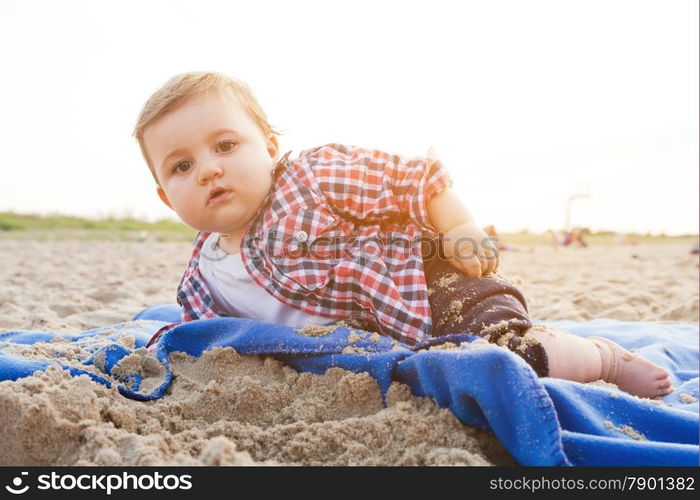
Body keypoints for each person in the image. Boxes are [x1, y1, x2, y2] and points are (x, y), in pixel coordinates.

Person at [132, 71, 672, 399]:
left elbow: (410, 178)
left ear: (270, 147)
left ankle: (603, 359)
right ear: (164, 195)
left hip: (435, 283)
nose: (207, 170)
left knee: (510, 357)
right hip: (380, 343)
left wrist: (459, 225)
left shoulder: (312, 178)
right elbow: (204, 335)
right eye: (181, 166)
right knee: (458, 374)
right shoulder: (202, 272)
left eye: (225, 146)